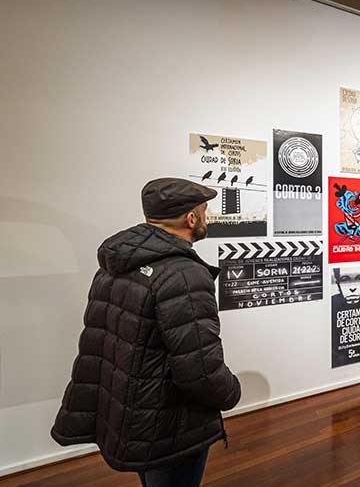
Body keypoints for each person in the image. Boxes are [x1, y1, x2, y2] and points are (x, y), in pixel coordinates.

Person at [51, 178, 241, 487]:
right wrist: (231, 391)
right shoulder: (184, 274)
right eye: (204, 210)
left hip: (131, 411)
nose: (207, 217)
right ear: (191, 218)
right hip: (168, 423)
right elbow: (199, 368)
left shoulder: (117, 261)